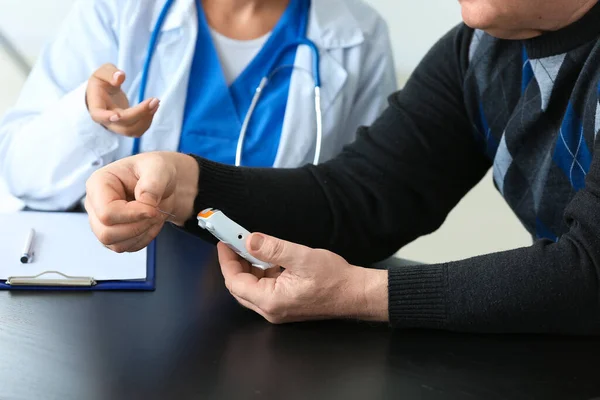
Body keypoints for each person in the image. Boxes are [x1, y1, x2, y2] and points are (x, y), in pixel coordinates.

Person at [84, 0, 600, 334]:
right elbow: (361, 199)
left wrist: (361, 294)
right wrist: (182, 183)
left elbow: (589, 274)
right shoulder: (479, 52)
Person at [0, 0, 396, 212]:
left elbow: (365, 202)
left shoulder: (359, 34)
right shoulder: (119, 10)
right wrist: (87, 114)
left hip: (272, 304)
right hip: (121, 292)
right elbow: (22, 173)